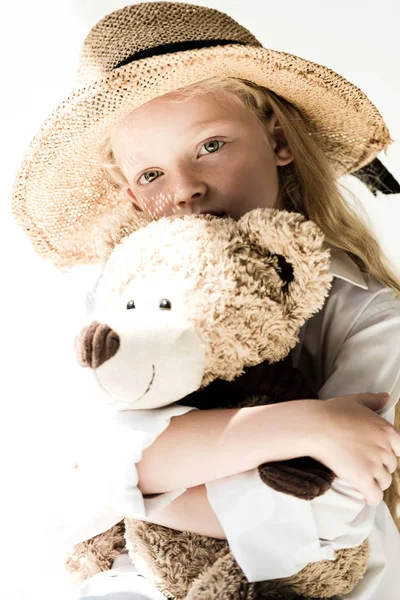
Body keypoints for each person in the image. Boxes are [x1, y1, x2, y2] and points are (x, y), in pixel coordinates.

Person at [11, 3, 400, 599]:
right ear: (133, 196)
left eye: (210, 144)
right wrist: (300, 425)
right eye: (150, 175)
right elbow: (63, 488)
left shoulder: (367, 309)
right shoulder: (109, 306)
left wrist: (133, 485)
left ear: (276, 138)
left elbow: (325, 515)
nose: (185, 188)